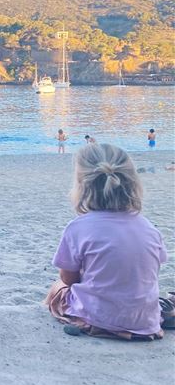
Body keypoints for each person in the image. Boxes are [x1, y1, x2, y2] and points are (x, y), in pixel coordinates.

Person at [45, 143, 168, 339]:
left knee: (57, 288)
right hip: (145, 320)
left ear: (81, 186)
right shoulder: (148, 227)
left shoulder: (78, 228)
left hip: (99, 318)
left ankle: (96, 321)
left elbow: (68, 279)